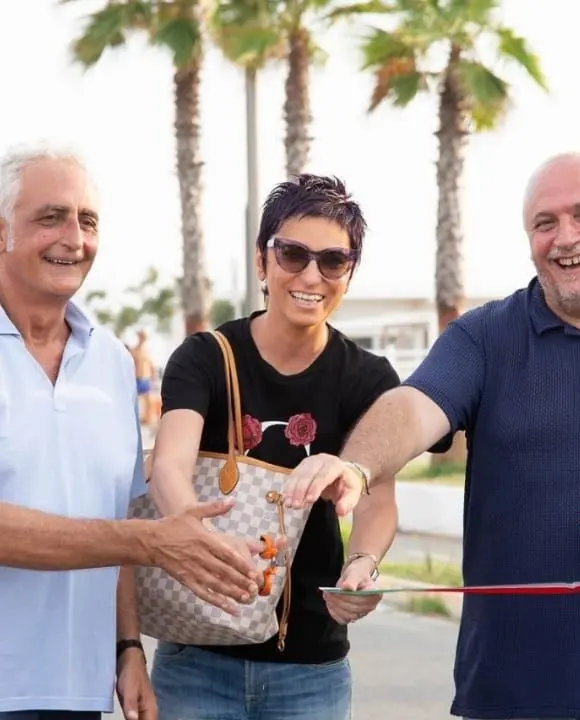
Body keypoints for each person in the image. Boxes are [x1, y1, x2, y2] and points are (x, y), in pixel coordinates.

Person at [280, 153, 580, 720]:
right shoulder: (485, 336)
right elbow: (413, 405)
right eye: (544, 223)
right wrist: (355, 467)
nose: (565, 237)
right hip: (506, 696)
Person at [0, 141, 262, 719]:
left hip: (80, 692)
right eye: (50, 217)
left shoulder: (113, 362)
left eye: (87, 220)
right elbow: (127, 536)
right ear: (2, 233)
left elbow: (115, 511)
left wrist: (127, 648)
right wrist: (149, 540)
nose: (74, 237)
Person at [145, 174, 403, 718]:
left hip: (313, 665)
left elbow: (377, 499)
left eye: (333, 261)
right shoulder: (206, 357)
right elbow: (169, 463)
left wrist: (362, 566)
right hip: (197, 655)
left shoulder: (369, 377)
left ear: (348, 274)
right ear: (263, 263)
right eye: (293, 254)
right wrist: (193, 537)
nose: (312, 275)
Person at [131, 328, 159, 430]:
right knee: (134, 402)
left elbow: (152, 366)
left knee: (149, 402)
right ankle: (135, 421)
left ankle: (148, 421)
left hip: (146, 379)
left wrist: (153, 379)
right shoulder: (134, 350)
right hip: (136, 378)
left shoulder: (147, 351)